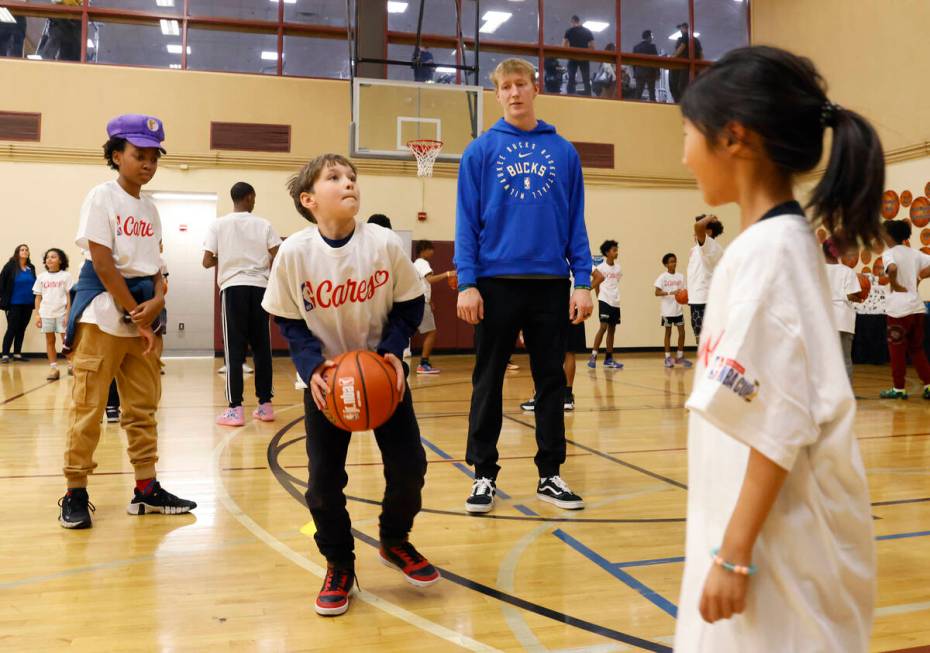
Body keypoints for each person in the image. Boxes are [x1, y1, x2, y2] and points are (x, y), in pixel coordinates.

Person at [673, 45, 882, 651]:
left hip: (779, 555)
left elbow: (776, 425)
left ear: (733, 137)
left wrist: (734, 556)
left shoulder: (771, 255)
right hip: (768, 541)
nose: (683, 155)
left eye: (688, 133)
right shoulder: (770, 246)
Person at [263, 153, 438, 616]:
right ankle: (339, 563)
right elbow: (286, 319)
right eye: (335, 178)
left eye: (353, 178)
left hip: (381, 374)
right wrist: (312, 366)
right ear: (309, 199)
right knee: (322, 483)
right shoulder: (295, 253)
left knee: (410, 468)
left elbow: (409, 305)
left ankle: (395, 539)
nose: (349, 184)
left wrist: (391, 352)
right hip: (327, 382)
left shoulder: (382, 243)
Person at [455, 58, 593, 514]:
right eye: (505, 87)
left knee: (551, 380)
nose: (514, 93)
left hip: (551, 282)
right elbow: (466, 222)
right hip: (495, 283)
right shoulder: (480, 151)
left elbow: (575, 221)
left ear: (536, 89)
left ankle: (550, 474)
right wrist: (467, 282)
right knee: (488, 380)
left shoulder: (564, 152)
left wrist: (583, 280)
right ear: (496, 96)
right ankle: (483, 475)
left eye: (521, 85)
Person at [58, 114, 196, 530]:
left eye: (154, 157)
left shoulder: (151, 207)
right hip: (103, 313)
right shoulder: (101, 197)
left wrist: (156, 300)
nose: (148, 164)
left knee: (142, 407)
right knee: (89, 407)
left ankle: (146, 489)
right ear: (117, 156)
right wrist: (136, 316)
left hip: (141, 314)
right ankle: (75, 491)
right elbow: (102, 262)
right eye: (139, 155)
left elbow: (156, 263)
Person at [203, 181, 281, 426]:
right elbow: (278, 252)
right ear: (249, 197)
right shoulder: (264, 224)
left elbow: (206, 261)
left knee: (233, 351)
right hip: (260, 288)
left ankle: (235, 408)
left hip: (233, 288)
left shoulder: (218, 225)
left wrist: (226, 256)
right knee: (262, 349)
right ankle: (265, 405)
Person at [879, 218, 930, 399]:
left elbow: (891, 268)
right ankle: (928, 385)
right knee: (917, 349)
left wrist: (895, 284)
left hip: (898, 311)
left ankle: (899, 388)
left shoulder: (889, 253)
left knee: (897, 350)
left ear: (889, 236)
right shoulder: (914, 253)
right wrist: (919, 278)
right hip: (917, 308)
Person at [822, 239, 863, 381]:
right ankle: (848, 395)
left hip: (823, 318)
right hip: (843, 319)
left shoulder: (816, 271)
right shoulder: (848, 272)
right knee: (845, 359)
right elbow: (852, 295)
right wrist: (858, 298)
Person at [412, 239, 453, 375]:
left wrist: (429, 300)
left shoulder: (415, 264)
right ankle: (423, 364)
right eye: (431, 249)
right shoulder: (423, 263)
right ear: (424, 250)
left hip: (420, 301)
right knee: (431, 332)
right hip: (420, 303)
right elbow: (430, 279)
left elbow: (422, 284)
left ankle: (424, 362)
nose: (433, 252)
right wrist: (448, 274)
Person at [33, 248, 73, 380]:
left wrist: (68, 314)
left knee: (66, 341)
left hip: (62, 313)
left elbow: (69, 296)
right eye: (48, 257)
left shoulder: (66, 276)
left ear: (60, 260)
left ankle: (71, 365)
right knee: (50, 341)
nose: (49, 259)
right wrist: (38, 315)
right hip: (46, 313)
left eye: (53, 257)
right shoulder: (41, 277)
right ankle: (53, 368)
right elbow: (38, 297)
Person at [687, 214, 725, 341]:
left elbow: (698, 226)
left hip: (705, 300)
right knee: (701, 340)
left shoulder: (710, 246)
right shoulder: (696, 249)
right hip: (697, 299)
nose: (694, 233)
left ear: (709, 231)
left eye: (697, 231)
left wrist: (710, 217)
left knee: (707, 341)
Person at [589, 239, 623, 369]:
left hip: (615, 301)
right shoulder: (600, 267)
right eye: (614, 250)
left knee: (612, 330)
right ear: (607, 252)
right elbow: (596, 281)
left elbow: (615, 283)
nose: (616, 252)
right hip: (604, 300)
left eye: (616, 250)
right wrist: (599, 295)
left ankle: (609, 358)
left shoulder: (618, 268)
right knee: (603, 327)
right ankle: (593, 356)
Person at [0, 244, 37, 362]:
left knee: (22, 328)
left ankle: (17, 354)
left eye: (26, 250)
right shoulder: (10, 266)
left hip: (28, 303)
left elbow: (35, 285)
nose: (25, 251)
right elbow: (2, 282)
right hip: (13, 303)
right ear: (17, 252)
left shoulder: (31, 267)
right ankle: (5, 354)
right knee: (12, 328)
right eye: (22, 249)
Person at [654, 253, 690, 367]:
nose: (673, 263)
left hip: (678, 309)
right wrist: (670, 292)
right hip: (667, 311)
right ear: (666, 264)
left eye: (674, 261)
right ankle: (667, 357)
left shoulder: (681, 276)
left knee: (682, 332)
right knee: (668, 333)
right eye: (670, 262)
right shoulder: (663, 277)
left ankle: (680, 356)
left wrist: (687, 301)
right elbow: (657, 292)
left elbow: (684, 292)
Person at [562, 15, 594, 96]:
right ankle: (588, 95)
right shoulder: (588, 31)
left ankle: (570, 95)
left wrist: (569, 50)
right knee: (586, 79)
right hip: (584, 57)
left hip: (573, 57)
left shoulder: (569, 31)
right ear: (579, 21)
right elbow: (592, 46)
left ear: (572, 21)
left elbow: (564, 45)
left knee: (571, 78)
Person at [633, 30, 659, 102]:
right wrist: (658, 73)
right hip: (650, 73)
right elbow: (656, 61)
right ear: (648, 37)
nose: (652, 38)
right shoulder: (652, 47)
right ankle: (654, 109)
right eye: (652, 36)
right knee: (652, 93)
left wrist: (635, 72)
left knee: (638, 92)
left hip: (639, 73)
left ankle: (634, 108)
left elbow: (633, 62)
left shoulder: (636, 47)